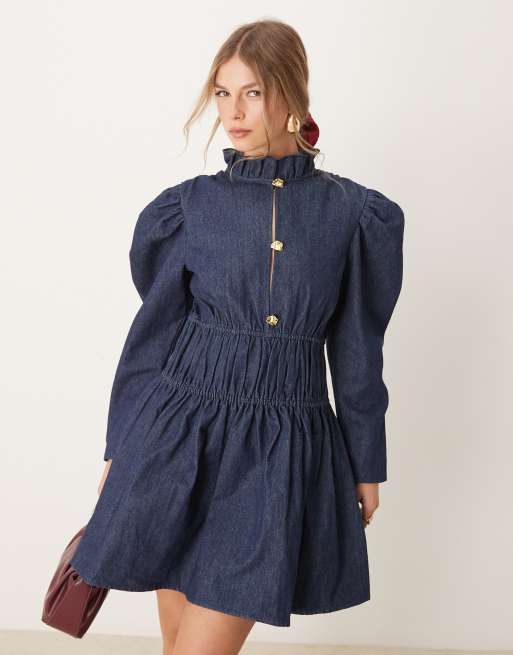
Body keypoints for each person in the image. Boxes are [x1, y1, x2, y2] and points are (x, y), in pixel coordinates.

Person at [69, 18, 405, 655]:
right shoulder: (188, 207)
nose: (233, 111)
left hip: (279, 449)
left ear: (292, 95)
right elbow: (151, 340)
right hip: (175, 441)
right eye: (223, 94)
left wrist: (366, 463)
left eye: (252, 92)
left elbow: (359, 351)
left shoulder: (354, 215)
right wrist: (120, 444)